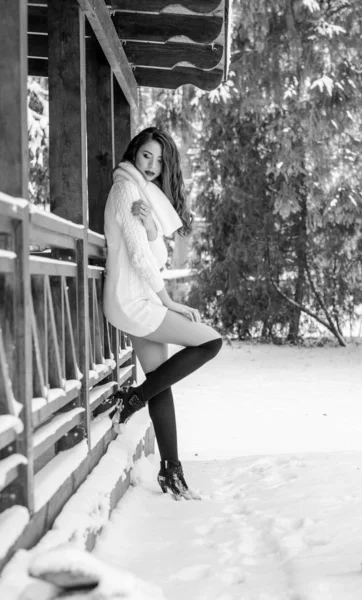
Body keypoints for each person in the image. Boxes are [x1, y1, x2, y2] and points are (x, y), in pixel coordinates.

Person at [103, 127, 222, 500]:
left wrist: (153, 230)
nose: (152, 165)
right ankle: (134, 398)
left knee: (160, 380)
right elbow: (139, 260)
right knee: (211, 342)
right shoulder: (125, 189)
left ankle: (171, 470)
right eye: (146, 156)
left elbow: (155, 256)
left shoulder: (140, 193)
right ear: (134, 153)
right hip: (132, 300)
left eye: (159, 159)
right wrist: (168, 301)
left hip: (138, 298)